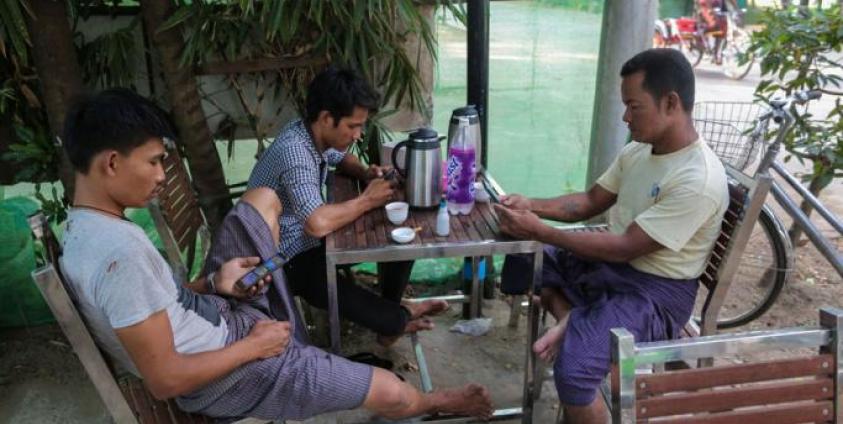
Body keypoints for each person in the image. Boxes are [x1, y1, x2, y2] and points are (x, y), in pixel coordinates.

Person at [59, 88, 493, 421]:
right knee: (389, 388)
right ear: (111, 163)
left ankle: (334, 330)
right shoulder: (119, 258)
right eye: (153, 162)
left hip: (213, 314)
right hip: (222, 370)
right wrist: (254, 347)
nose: (160, 175)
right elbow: (165, 379)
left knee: (263, 201)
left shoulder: (85, 229)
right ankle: (436, 400)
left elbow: (155, 304)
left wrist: (214, 282)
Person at [496, 49, 729, 424]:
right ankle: (573, 319)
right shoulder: (638, 151)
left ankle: (576, 328)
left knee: (573, 371)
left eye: (634, 107)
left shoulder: (696, 179)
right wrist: (531, 205)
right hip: (612, 267)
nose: (625, 117)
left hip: (653, 293)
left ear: (671, 103)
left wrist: (542, 231)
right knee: (523, 260)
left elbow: (625, 248)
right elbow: (589, 202)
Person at [248, 67, 447, 346]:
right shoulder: (295, 151)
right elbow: (316, 224)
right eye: (353, 126)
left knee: (399, 233)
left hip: (303, 239)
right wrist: (367, 199)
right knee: (331, 277)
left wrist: (366, 172)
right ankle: (395, 319)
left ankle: (391, 314)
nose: (358, 135)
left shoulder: (309, 133)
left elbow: (340, 158)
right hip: (282, 258)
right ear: (327, 119)